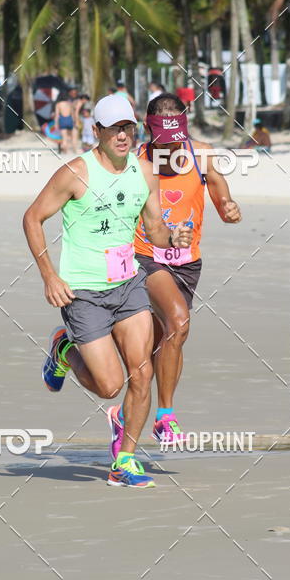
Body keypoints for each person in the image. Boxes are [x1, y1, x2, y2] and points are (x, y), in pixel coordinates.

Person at [23, 94, 193, 488]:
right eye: (114, 128)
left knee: (142, 373)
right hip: (84, 292)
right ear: (96, 131)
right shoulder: (75, 173)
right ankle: (64, 349)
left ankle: (124, 461)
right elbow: (32, 218)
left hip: (128, 285)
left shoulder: (145, 172)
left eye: (128, 127)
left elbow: (154, 230)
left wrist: (173, 238)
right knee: (109, 386)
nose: (122, 135)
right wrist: (50, 276)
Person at [105, 92, 241, 447]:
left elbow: (221, 195)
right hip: (145, 256)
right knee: (179, 321)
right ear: (149, 130)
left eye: (175, 138)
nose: (169, 147)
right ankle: (165, 418)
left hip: (187, 262)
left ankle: (123, 418)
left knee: (163, 342)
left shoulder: (202, 154)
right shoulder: (134, 160)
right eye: (162, 140)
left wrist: (228, 207)